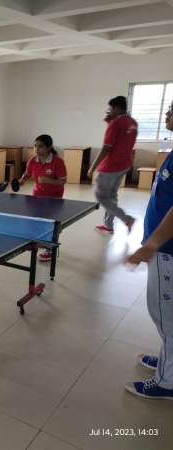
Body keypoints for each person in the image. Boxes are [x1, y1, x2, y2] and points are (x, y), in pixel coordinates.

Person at [125, 100, 173, 400]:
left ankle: (167, 382)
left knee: (166, 315)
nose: (167, 114)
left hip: (168, 250)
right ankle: (168, 360)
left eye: (172, 110)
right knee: (164, 314)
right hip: (163, 248)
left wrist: (152, 245)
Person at [88, 96, 137, 234]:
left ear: (115, 108)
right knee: (111, 196)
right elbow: (122, 138)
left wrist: (93, 167)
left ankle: (127, 219)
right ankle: (108, 225)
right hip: (125, 164)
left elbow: (106, 148)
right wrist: (110, 121)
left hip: (111, 166)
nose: (108, 111)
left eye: (110, 108)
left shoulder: (115, 123)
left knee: (101, 196)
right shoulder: (132, 122)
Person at [17, 135, 67, 262]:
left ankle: (51, 249)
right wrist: (22, 180)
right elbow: (27, 173)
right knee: (37, 221)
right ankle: (38, 242)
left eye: (40, 146)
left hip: (54, 198)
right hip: (37, 196)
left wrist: (48, 180)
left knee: (51, 224)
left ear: (49, 147)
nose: (36, 149)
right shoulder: (32, 161)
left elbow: (62, 181)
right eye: (35, 146)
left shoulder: (57, 162)